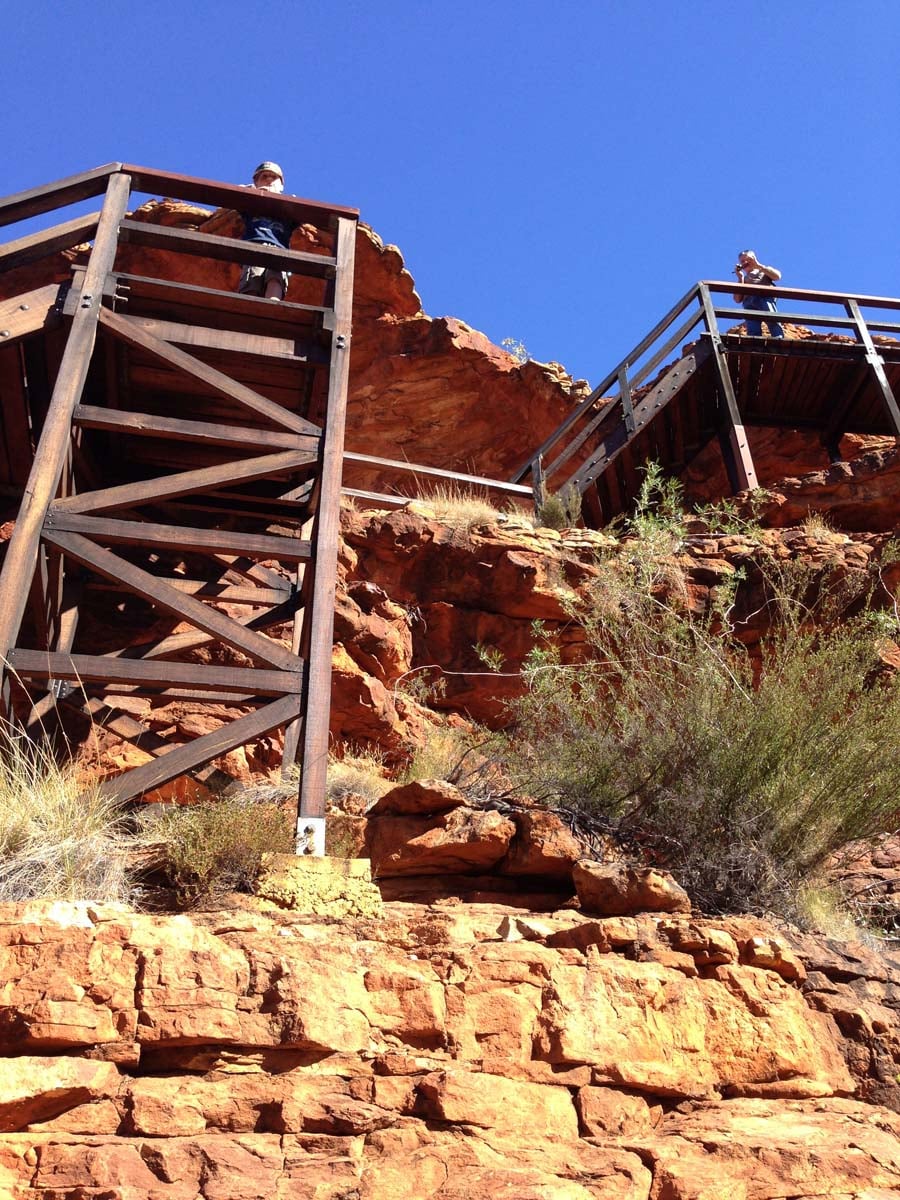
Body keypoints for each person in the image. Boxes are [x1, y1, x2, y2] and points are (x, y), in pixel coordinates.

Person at [237, 161, 295, 301]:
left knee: (276, 277)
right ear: (256, 182)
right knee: (252, 279)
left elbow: (305, 215)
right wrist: (255, 191)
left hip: (279, 248)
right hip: (254, 246)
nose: (269, 179)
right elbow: (236, 191)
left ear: (281, 185)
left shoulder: (288, 206)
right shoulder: (252, 201)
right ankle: (249, 311)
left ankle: (272, 307)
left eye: (273, 177)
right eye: (264, 176)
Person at [733, 250, 784, 338]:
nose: (745, 262)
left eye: (748, 259)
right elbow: (737, 299)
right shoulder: (743, 279)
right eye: (742, 261)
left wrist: (758, 265)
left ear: (754, 258)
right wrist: (740, 278)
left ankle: (778, 338)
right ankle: (755, 344)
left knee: (772, 319)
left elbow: (777, 276)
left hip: (764, 297)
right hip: (748, 303)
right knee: (752, 326)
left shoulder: (763, 270)